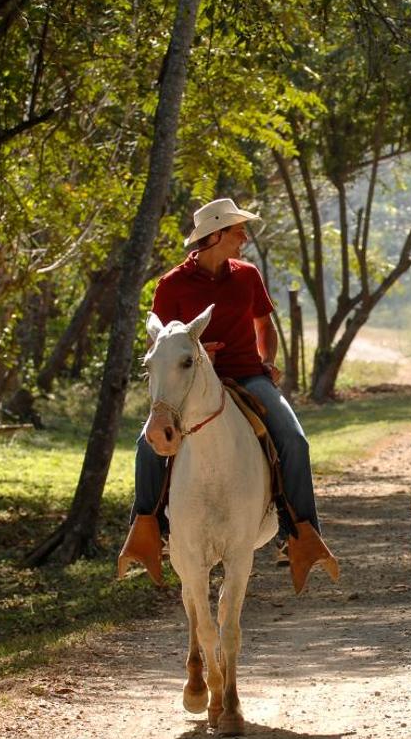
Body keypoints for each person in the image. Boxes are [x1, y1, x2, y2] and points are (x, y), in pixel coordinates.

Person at [116, 197, 332, 592]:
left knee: (295, 440)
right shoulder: (172, 284)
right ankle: (150, 531)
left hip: (248, 377)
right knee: (146, 446)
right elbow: (162, 344)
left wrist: (267, 360)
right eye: (237, 231)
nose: (243, 238)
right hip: (191, 387)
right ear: (214, 235)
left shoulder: (248, 275)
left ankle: (298, 533)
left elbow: (264, 325)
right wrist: (198, 356)